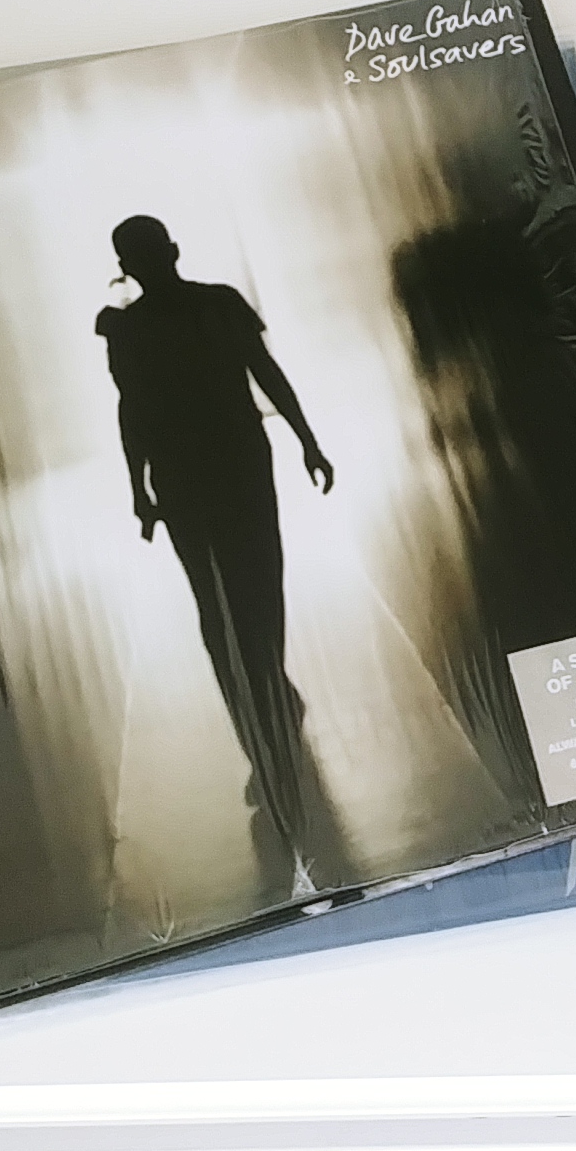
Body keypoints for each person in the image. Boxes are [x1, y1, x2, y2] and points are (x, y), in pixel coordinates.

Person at [94, 214, 341, 893]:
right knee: (261, 583)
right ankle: (270, 687)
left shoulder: (127, 331)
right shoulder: (220, 305)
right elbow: (266, 373)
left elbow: (133, 413)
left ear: (127, 267)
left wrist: (139, 490)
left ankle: (257, 715)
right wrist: (307, 440)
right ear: (172, 251)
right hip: (239, 462)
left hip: (182, 477)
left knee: (214, 601)